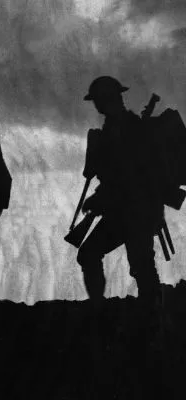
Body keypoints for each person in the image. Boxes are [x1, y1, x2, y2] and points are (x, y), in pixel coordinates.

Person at [76, 76, 163, 310]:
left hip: (136, 212)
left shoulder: (127, 128)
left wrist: (99, 199)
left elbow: (127, 175)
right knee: (90, 255)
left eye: (98, 100)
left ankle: (154, 319)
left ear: (107, 99)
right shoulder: (114, 128)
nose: (96, 105)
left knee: (141, 265)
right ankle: (101, 310)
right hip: (123, 212)